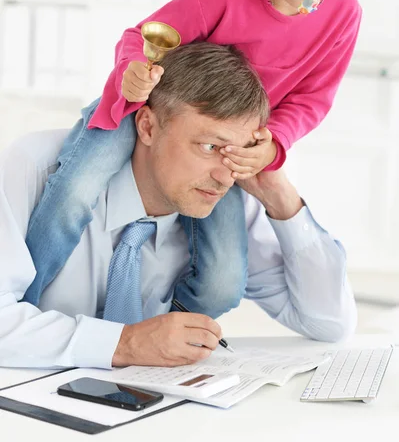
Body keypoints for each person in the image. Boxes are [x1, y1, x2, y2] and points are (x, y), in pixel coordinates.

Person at [23, 0, 362, 317]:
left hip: (229, 143)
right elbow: (141, 37)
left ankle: (172, 335)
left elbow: (314, 98)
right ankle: (22, 305)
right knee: (75, 192)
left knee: (224, 280)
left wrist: (274, 141)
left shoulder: (343, 11)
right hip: (147, 109)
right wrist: (134, 71)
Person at [0, 43, 356, 369]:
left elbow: (329, 323)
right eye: (208, 147)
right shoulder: (36, 168)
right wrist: (125, 344)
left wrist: (280, 195)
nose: (223, 174)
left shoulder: (225, 200)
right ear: (148, 126)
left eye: (237, 151)